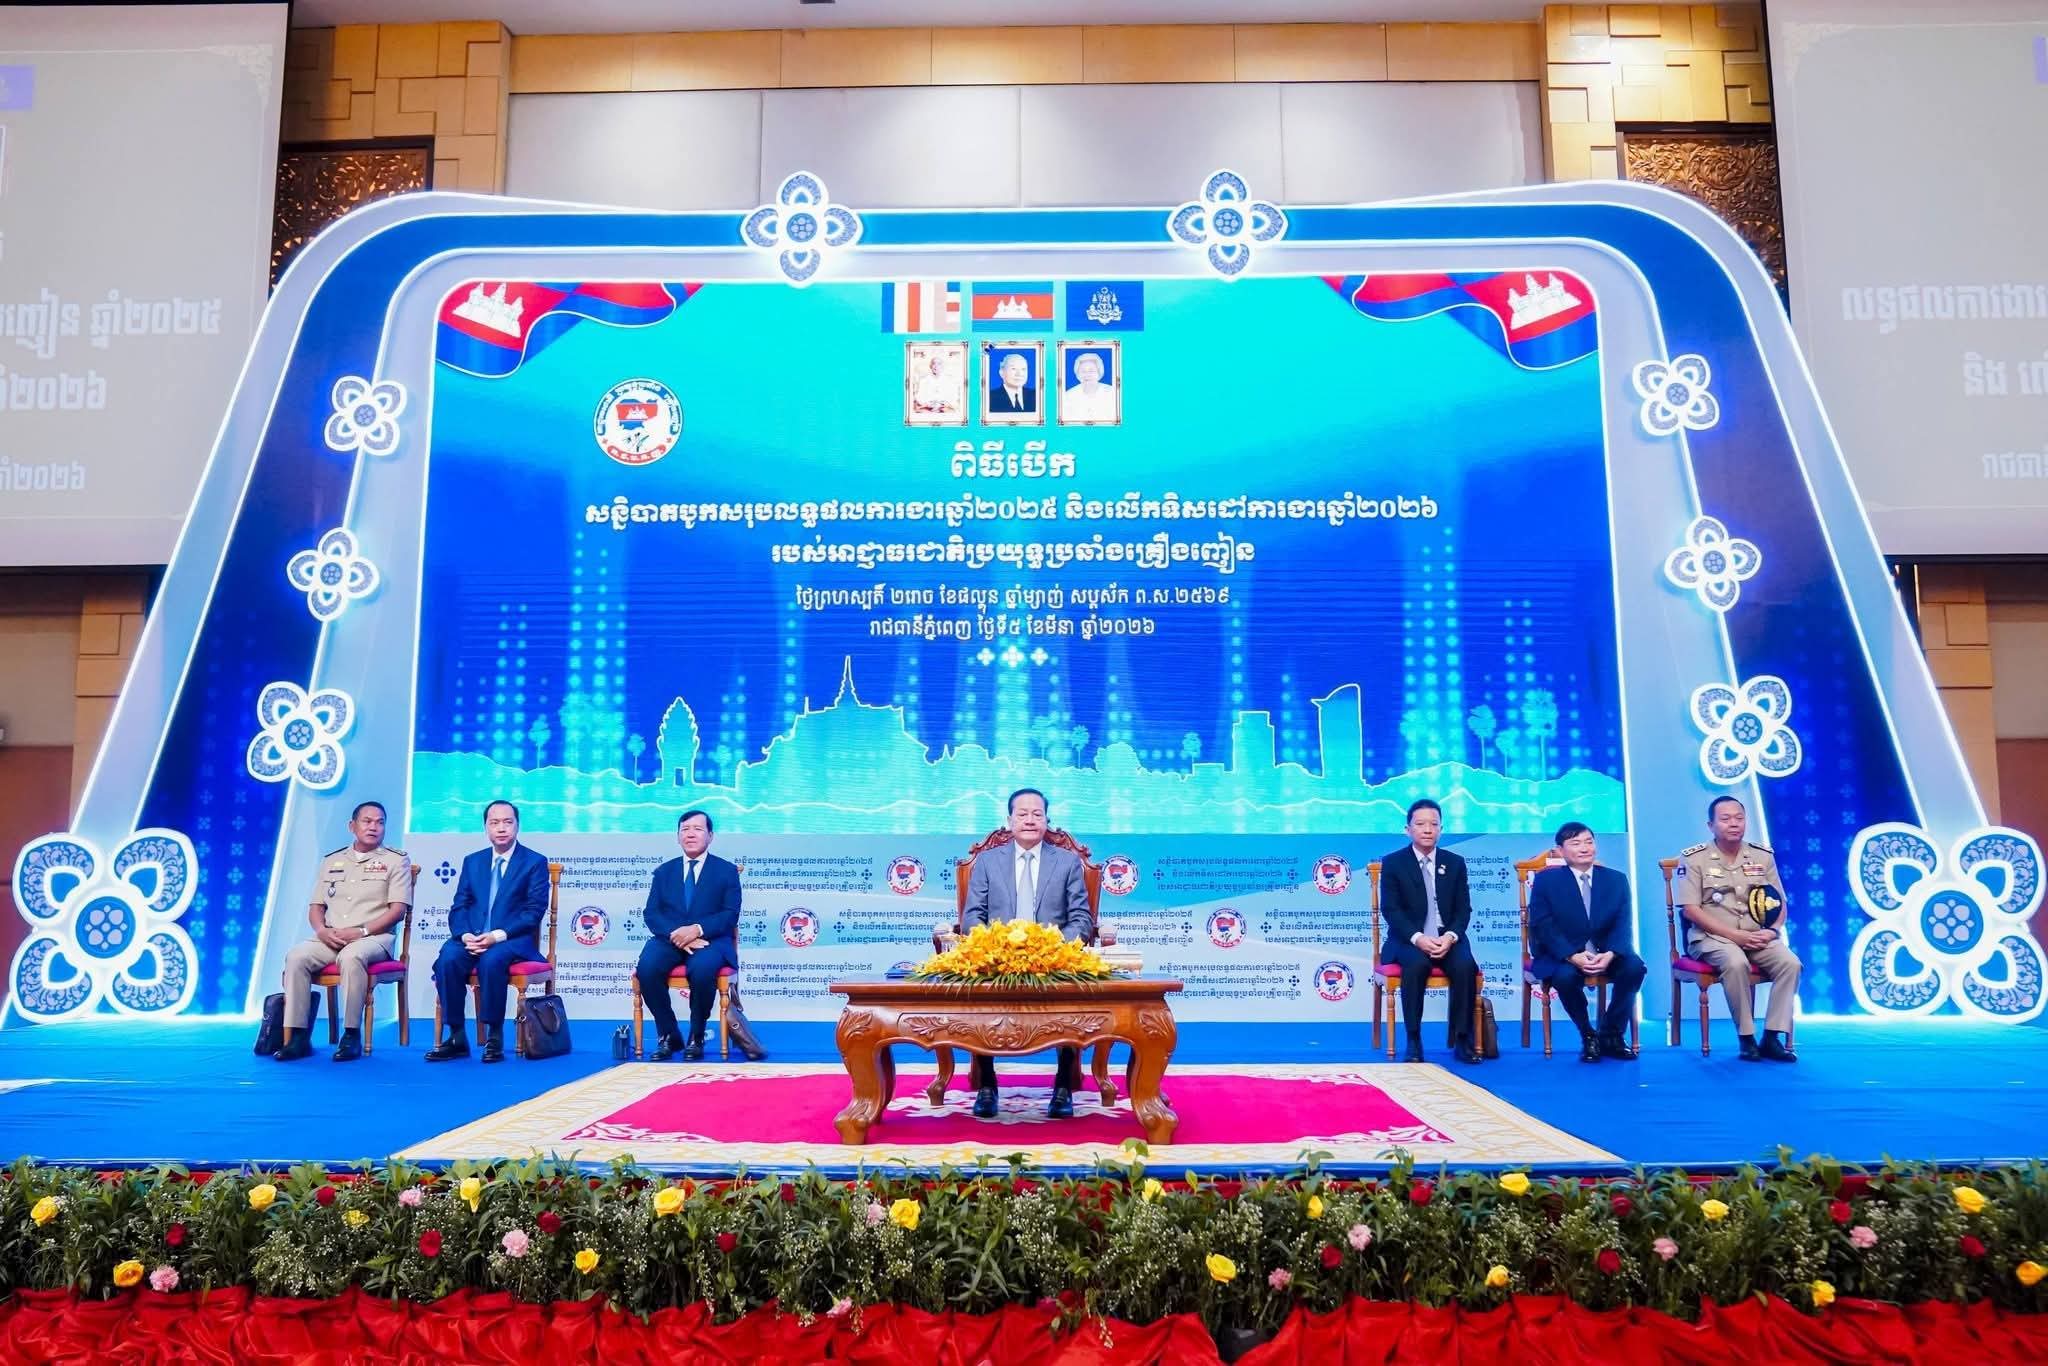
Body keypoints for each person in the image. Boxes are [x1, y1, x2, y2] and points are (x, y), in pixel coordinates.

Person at [960, 787, 1093, 1118]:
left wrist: (1052, 948)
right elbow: (972, 916)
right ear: (1009, 821)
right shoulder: (988, 862)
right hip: (998, 959)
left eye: (1037, 814)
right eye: (1022, 814)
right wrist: (994, 947)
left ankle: (1063, 1086)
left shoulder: (1067, 862)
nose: (1030, 820)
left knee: (1071, 991)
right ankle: (987, 1085)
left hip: (1052, 959)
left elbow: (1081, 919)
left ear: (1047, 820)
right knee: (980, 987)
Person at [275, 801, 411, 1062]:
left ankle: (351, 1034)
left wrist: (361, 931)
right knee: (296, 957)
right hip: (332, 936)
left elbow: (397, 911)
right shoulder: (332, 860)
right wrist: (321, 931)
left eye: (380, 822)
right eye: (367, 821)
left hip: (373, 938)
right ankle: (298, 1036)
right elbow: (316, 907)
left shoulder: (396, 861)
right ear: (352, 826)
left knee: (351, 956)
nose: (373, 827)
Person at [1675, 795, 1801, 1062]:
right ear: (1711, 825)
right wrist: (1735, 936)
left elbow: (1779, 902)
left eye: (1739, 818)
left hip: (1757, 937)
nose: (1734, 824)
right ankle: (1746, 1037)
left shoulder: (1761, 855)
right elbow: (1690, 910)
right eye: (1725, 819)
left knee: (1791, 964)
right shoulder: (1694, 858)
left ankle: (1772, 1037)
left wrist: (1773, 931)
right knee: (1735, 962)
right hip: (1712, 938)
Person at [424, 800, 549, 1064]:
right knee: (449, 957)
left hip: (511, 939)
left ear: (517, 826)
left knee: (492, 960)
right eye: (494, 823)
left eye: (507, 822)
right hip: (473, 936)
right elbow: (460, 905)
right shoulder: (473, 861)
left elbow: (533, 912)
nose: (501, 828)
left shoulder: (534, 862)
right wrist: (464, 935)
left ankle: (494, 1036)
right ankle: (456, 1036)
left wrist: (496, 936)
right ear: (486, 827)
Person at [1527, 821, 1645, 1063]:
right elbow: (1543, 925)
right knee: (1565, 978)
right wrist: (1572, 955)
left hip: (1606, 952)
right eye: (1576, 843)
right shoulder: (1546, 881)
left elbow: (1623, 923)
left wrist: (1611, 953)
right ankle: (1588, 1034)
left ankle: (1611, 1033)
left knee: (1634, 968)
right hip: (1563, 954)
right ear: (1560, 850)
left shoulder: (1616, 880)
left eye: (1589, 842)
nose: (1584, 848)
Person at [1379, 798, 1483, 1063]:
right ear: (1408, 829)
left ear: (1441, 829)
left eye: (1434, 824)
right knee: (1416, 965)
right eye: (1421, 824)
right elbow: (1391, 910)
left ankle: (1462, 1039)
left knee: (1464, 966)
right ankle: (1414, 1040)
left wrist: (1450, 936)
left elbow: (1463, 909)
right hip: (1409, 939)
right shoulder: (1393, 863)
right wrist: (1418, 938)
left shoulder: (1455, 863)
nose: (1428, 829)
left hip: (1447, 938)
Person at [635, 809, 742, 1061]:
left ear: (710, 836)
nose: (690, 834)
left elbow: (730, 914)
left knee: (703, 969)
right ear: (677, 836)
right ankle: (669, 1035)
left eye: (697, 829)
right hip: (669, 939)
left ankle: (697, 1035)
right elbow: (651, 913)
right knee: (647, 968)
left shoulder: (726, 871)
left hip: (711, 940)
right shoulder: (664, 872)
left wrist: (696, 930)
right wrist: (677, 934)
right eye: (685, 829)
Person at [1060, 350, 1115, 422]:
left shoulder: (1112, 393)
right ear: (1077, 374)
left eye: (1091, 371)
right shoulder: (1068, 396)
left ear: (1099, 372)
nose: (1087, 375)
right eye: (1083, 371)